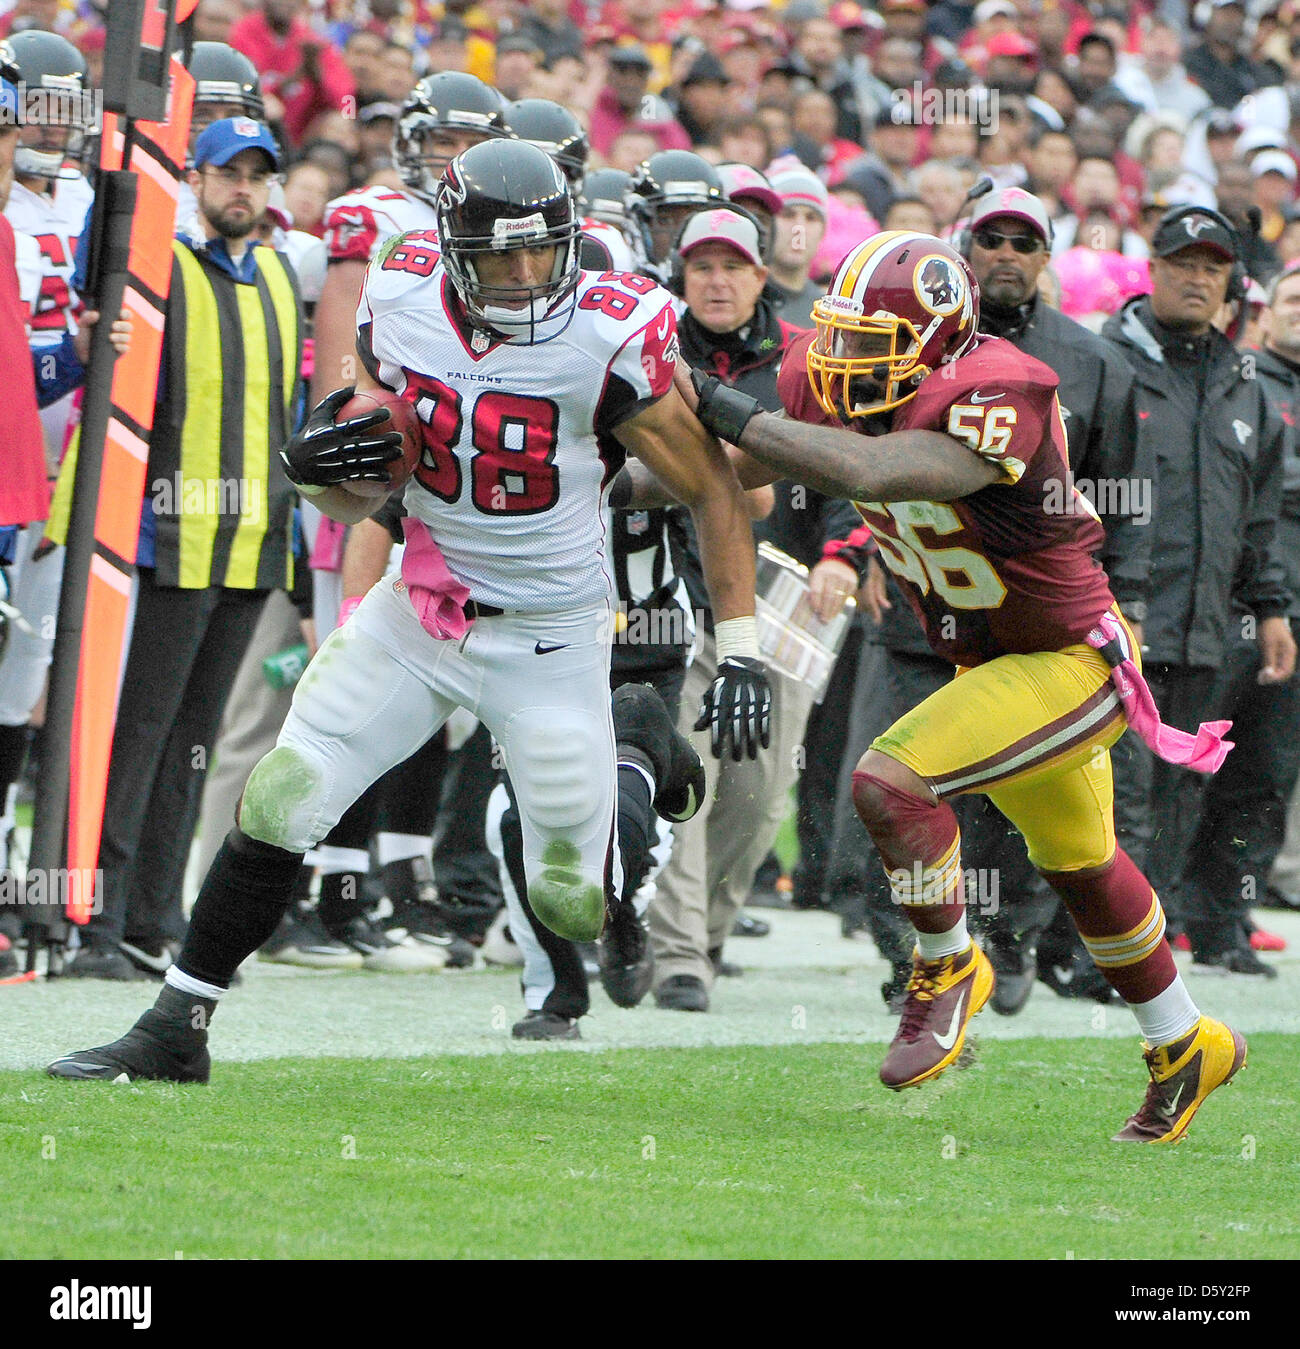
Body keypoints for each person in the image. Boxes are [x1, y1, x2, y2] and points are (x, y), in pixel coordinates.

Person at [47, 138, 768, 1081]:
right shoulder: (400, 294)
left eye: (539, 253)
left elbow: (713, 489)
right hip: (419, 610)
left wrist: (744, 646)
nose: (521, 277)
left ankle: (644, 757)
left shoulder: (608, 329)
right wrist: (328, 454)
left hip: (549, 637)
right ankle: (177, 1024)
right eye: (498, 256)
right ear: (452, 248)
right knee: (280, 795)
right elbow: (372, 452)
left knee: (569, 905)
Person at [678, 229, 1247, 1144]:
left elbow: (869, 469)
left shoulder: (997, 388)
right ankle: (1187, 1040)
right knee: (1084, 865)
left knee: (888, 781)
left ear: (938, 342)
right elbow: (718, 471)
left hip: (1071, 662)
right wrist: (589, 476)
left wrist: (713, 401)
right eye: (839, 337)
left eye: (871, 344)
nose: (841, 361)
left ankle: (947, 967)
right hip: (993, 661)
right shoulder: (833, 379)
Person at [61, 118, 303, 980]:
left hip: (251, 544)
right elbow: (113, 365)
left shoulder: (280, 274)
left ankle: (156, 920)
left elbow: (290, 419)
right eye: (226, 173)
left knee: (196, 742)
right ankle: (97, 920)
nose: (243, 188)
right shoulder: (160, 271)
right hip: (170, 539)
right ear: (195, 181)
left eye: (257, 175)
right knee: (142, 736)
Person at [644, 207, 858, 1010]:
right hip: (680, 591)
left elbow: (850, 464)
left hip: (789, 596)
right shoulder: (649, 350)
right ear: (682, 275)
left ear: (764, 276)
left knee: (761, 793)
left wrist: (844, 554)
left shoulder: (809, 359)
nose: (717, 280)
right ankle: (676, 956)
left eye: (733, 265)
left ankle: (704, 932)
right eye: (701, 265)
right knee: (686, 769)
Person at [1102, 206, 1295, 974]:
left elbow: (1257, 517)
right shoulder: (1105, 360)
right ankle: (1084, 943)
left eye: (1211, 267)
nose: (1195, 277)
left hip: (1209, 623)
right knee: (1114, 792)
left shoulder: (1245, 384)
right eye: (1182, 262)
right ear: (1151, 269)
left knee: (1182, 792)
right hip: (1114, 621)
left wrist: (1273, 608)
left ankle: (1150, 942)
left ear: (1230, 285)